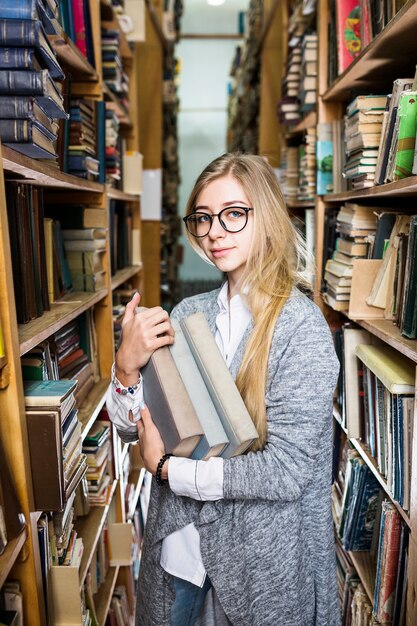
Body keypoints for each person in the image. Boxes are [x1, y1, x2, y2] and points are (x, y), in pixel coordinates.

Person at [106, 153, 341, 626]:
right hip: (180, 556)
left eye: (234, 214)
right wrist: (126, 370)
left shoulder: (302, 329)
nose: (215, 232)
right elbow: (133, 431)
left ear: (266, 217)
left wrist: (170, 471)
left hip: (258, 568)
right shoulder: (187, 313)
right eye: (204, 218)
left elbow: (285, 472)